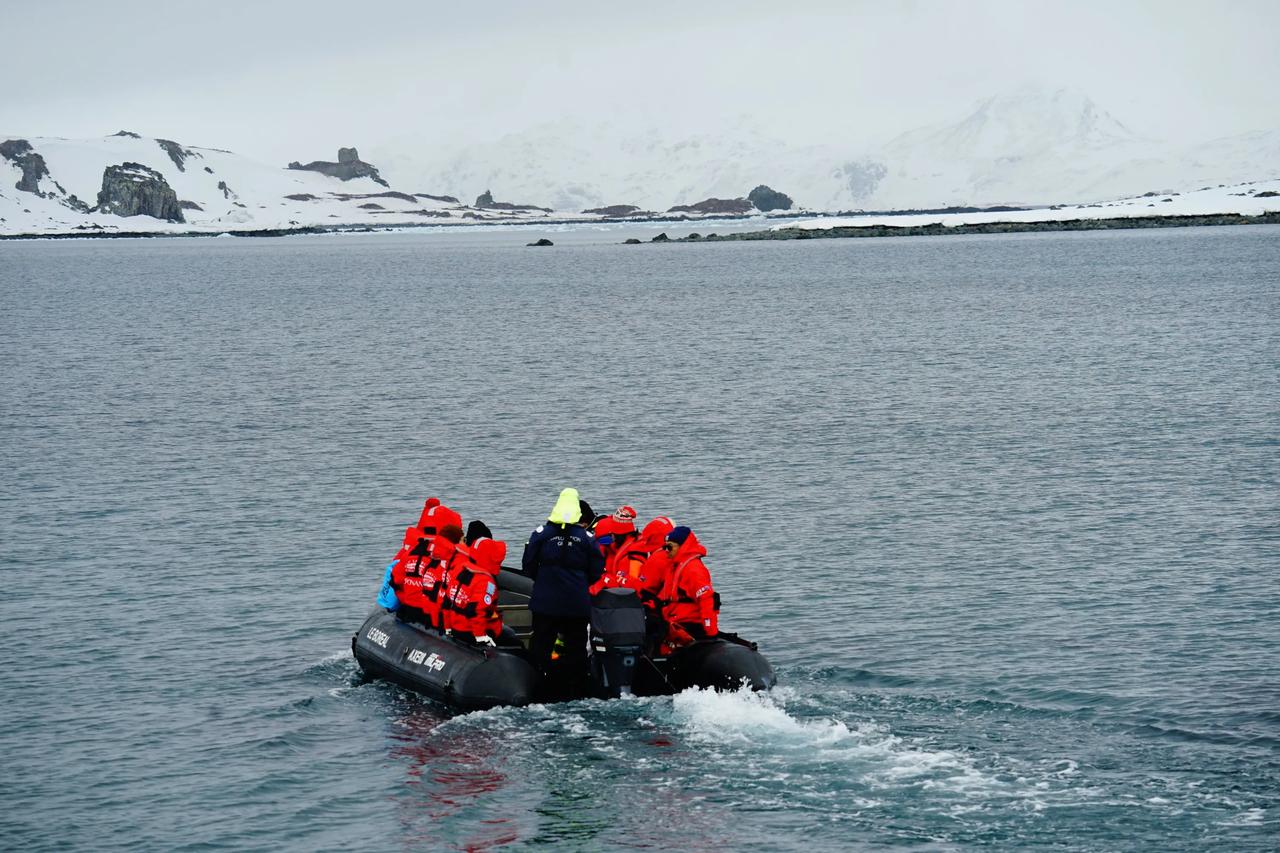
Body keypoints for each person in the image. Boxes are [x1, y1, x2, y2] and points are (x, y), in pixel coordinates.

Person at [522, 487, 604, 694]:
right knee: (576, 648)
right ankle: (576, 688)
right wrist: (579, 584)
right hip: (576, 603)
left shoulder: (541, 534)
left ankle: (537, 685)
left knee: (541, 644)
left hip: (545, 602)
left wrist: (543, 581)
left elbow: (528, 565)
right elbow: (596, 569)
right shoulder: (586, 538)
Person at [660, 526, 719, 648]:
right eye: (665, 547)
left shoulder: (693, 570)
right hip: (675, 621)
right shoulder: (676, 566)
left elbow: (706, 600)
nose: (666, 551)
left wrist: (711, 633)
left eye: (669, 547)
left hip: (689, 624)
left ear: (682, 546)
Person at [445, 536, 506, 644]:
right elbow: (476, 610)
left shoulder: (460, 570)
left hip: (456, 626)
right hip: (472, 631)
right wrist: (480, 636)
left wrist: (447, 627)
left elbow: (446, 600)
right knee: (516, 644)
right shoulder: (486, 582)